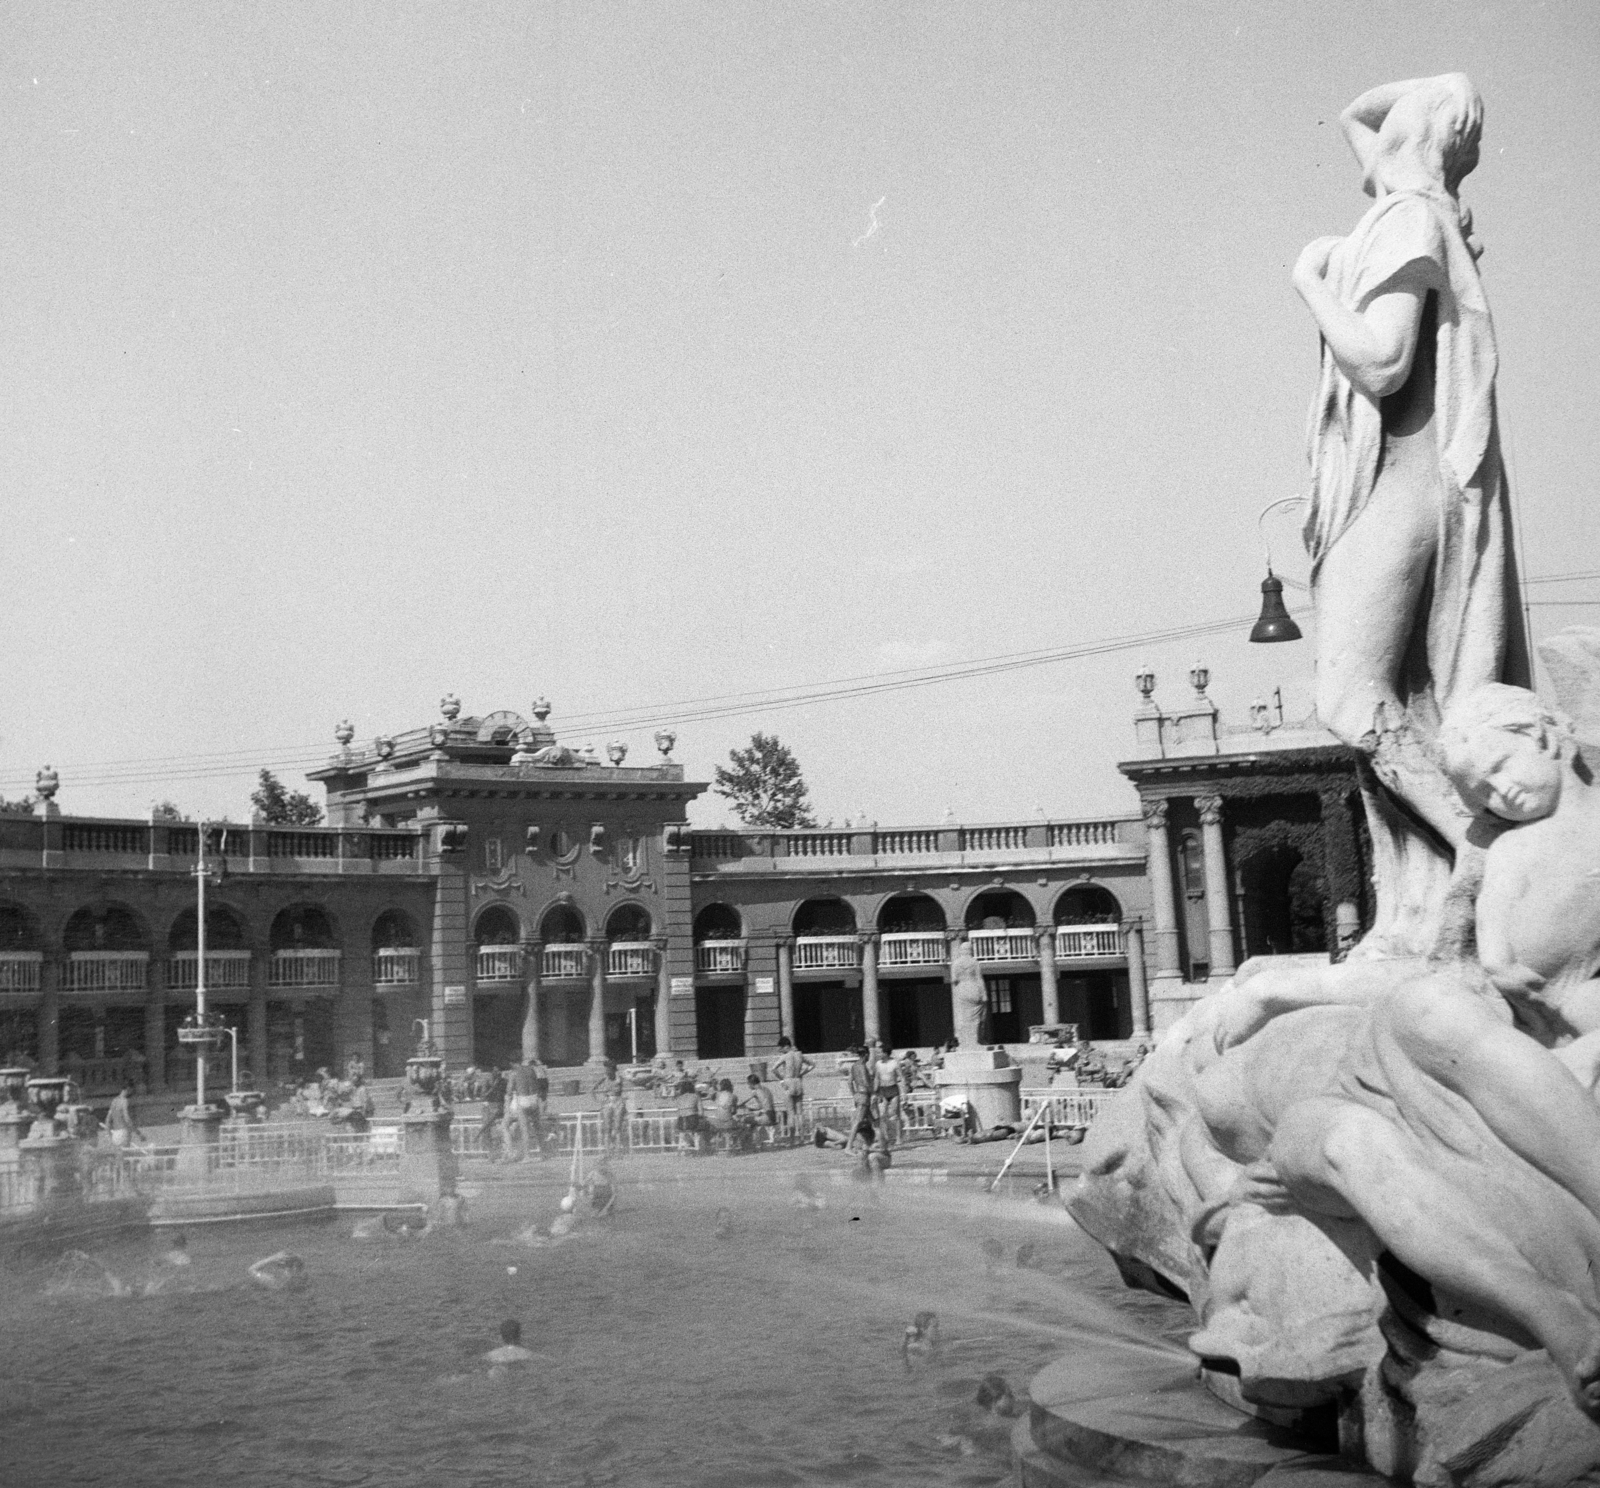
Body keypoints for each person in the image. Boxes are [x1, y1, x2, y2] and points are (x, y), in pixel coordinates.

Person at [1293, 73, 1528, 958]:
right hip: (1405, 488)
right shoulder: (1415, 211)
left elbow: (1385, 364)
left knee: (1352, 699)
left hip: (1395, 490)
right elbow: (1356, 111)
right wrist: (1443, 102)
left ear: (1410, 134)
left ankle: (1481, 859)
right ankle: (1417, 906)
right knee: (1390, 707)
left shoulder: (1408, 222)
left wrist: (1309, 282)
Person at [769, 1037, 814, 1145]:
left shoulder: (785, 1056)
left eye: (781, 1048)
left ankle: (792, 1139)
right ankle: (803, 1137)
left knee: (790, 1113)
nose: (780, 1050)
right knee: (799, 1112)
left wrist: (781, 1079)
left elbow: (773, 1069)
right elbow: (812, 1065)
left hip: (788, 1081)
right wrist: (802, 1073)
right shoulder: (799, 1054)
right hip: (798, 1081)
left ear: (785, 1046)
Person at [506, 1058, 543, 1162]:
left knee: (524, 1129)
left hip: (523, 1099)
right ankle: (543, 1153)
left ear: (512, 1063)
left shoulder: (514, 1073)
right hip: (534, 1098)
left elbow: (509, 1090)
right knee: (537, 1126)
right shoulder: (531, 1070)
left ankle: (527, 1156)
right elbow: (536, 1084)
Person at [592, 1059, 628, 1153]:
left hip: (618, 1102)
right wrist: (598, 1100)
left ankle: (618, 1150)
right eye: (606, 1069)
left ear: (613, 1069)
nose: (607, 1071)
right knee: (607, 1127)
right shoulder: (604, 1077)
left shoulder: (619, 1077)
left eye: (608, 1069)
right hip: (608, 1102)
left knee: (617, 1127)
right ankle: (608, 1150)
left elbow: (630, 1083)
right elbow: (593, 1089)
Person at [872, 1044, 903, 1146]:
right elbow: (877, 1078)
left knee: (896, 1114)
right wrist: (875, 1092)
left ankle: (898, 1137)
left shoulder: (894, 1063)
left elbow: (901, 1077)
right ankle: (886, 1137)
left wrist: (905, 1092)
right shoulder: (878, 1064)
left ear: (885, 1053)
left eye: (880, 1052)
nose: (879, 1054)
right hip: (883, 1090)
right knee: (882, 1115)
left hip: (893, 1089)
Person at [479, 1066, 508, 1160]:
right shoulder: (487, 1081)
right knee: (487, 1129)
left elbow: (507, 1093)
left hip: (500, 1107)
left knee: (499, 1130)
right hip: (489, 1106)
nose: (498, 1073)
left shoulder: (504, 1081)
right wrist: (494, 1087)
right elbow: (484, 1095)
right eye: (496, 1071)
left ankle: (500, 1151)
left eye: (499, 1070)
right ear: (492, 1072)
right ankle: (491, 1152)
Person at [741, 1073, 777, 1144]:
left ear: (752, 1083)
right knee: (752, 1120)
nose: (748, 1086)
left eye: (748, 1084)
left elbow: (742, 1102)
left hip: (767, 1117)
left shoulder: (756, 1091)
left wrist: (740, 1105)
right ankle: (751, 1140)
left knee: (743, 1120)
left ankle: (747, 1141)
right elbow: (763, 1105)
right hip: (773, 1116)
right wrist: (750, 1108)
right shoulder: (766, 1089)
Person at [105, 1084, 143, 1149]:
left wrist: (109, 1135)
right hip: (123, 1132)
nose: (131, 1093)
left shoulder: (114, 1101)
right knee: (126, 1156)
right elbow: (127, 1118)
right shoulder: (124, 1101)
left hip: (115, 1134)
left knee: (119, 1157)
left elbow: (107, 1120)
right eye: (131, 1091)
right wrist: (138, 1133)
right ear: (126, 1090)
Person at [673, 1072, 703, 1155]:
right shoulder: (696, 1096)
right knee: (703, 1125)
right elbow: (701, 1113)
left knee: (684, 1132)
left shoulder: (679, 1098)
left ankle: (684, 1147)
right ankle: (699, 1147)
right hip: (692, 1122)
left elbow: (678, 1112)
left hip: (681, 1123)